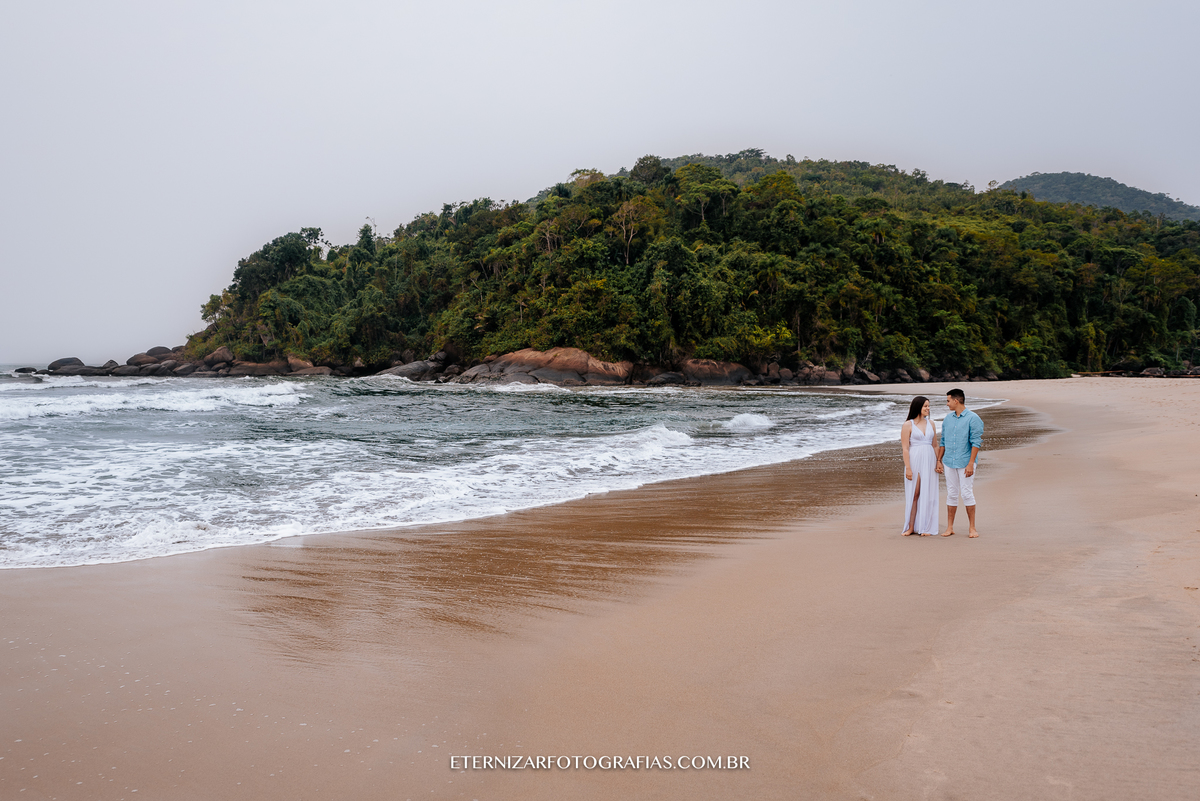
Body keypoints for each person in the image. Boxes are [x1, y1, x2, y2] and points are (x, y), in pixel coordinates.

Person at [935, 388, 983, 537]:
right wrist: (939, 460)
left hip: (965, 462)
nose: (947, 404)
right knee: (952, 493)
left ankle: (972, 528)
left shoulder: (973, 418)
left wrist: (970, 464)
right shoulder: (947, 419)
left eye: (948, 400)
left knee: (967, 493)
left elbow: (976, 443)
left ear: (956, 401)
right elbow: (943, 441)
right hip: (949, 461)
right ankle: (950, 527)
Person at [900, 396, 939, 536]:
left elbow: (935, 445)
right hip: (915, 460)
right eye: (925, 406)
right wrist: (908, 468)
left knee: (928, 493)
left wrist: (939, 461)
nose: (928, 408)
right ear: (918, 407)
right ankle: (911, 527)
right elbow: (905, 448)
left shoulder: (931, 424)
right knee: (915, 494)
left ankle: (926, 527)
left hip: (929, 459)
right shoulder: (908, 425)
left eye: (928, 406)